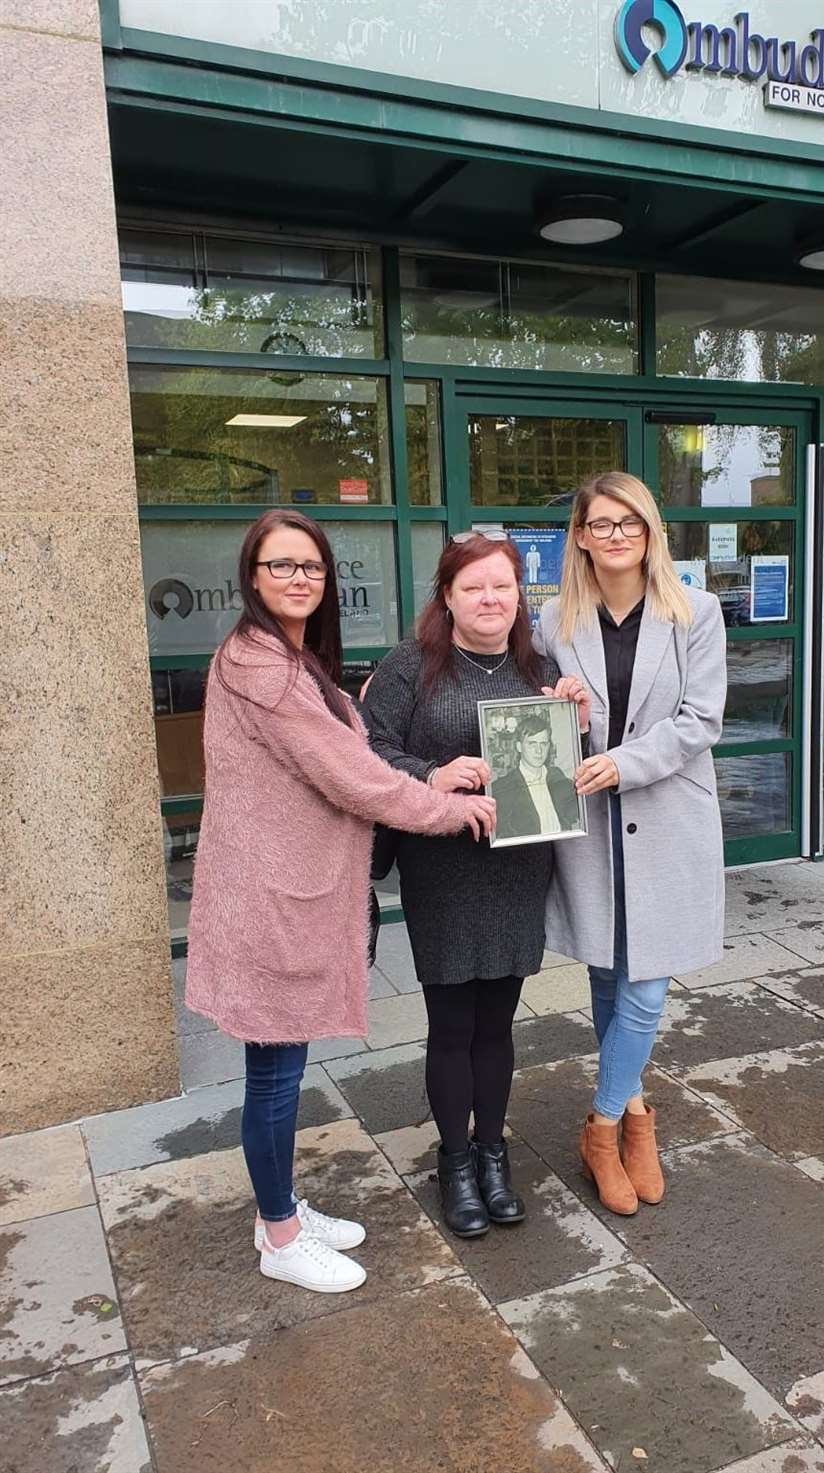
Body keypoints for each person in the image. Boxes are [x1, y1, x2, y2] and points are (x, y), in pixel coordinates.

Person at [185, 510, 494, 1294]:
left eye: (312, 567)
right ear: (252, 577)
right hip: (270, 899)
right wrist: (448, 808)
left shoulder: (286, 659)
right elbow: (352, 776)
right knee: (276, 1076)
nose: (299, 579)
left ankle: (278, 1205)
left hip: (280, 888)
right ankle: (281, 1237)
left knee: (279, 1066)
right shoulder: (263, 668)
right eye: (282, 566)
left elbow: (345, 753)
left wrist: (427, 773)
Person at [363, 533, 588, 1238]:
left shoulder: (540, 666)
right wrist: (431, 773)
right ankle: (455, 1161)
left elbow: (564, 762)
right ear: (448, 597)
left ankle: (494, 1154)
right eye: (473, 588)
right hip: (445, 870)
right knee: (452, 1025)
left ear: (520, 594)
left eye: (502, 586)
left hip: (518, 866)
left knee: (497, 1024)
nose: (490, 599)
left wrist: (577, 720)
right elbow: (367, 752)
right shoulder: (412, 665)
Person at [534, 472, 727, 1216]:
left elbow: (699, 719)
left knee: (648, 986)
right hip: (589, 823)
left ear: (651, 533)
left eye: (631, 523)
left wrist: (624, 761)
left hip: (668, 811)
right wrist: (562, 707)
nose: (617, 535)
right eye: (602, 524)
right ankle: (639, 1121)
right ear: (580, 535)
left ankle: (604, 1123)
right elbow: (545, 721)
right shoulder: (553, 624)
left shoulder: (696, 613)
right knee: (610, 974)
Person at [490, 711, 580, 839]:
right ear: (519, 747)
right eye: (532, 743)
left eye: (543, 744)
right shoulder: (501, 788)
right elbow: (502, 836)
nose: (539, 751)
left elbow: (575, 812)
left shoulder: (556, 775)